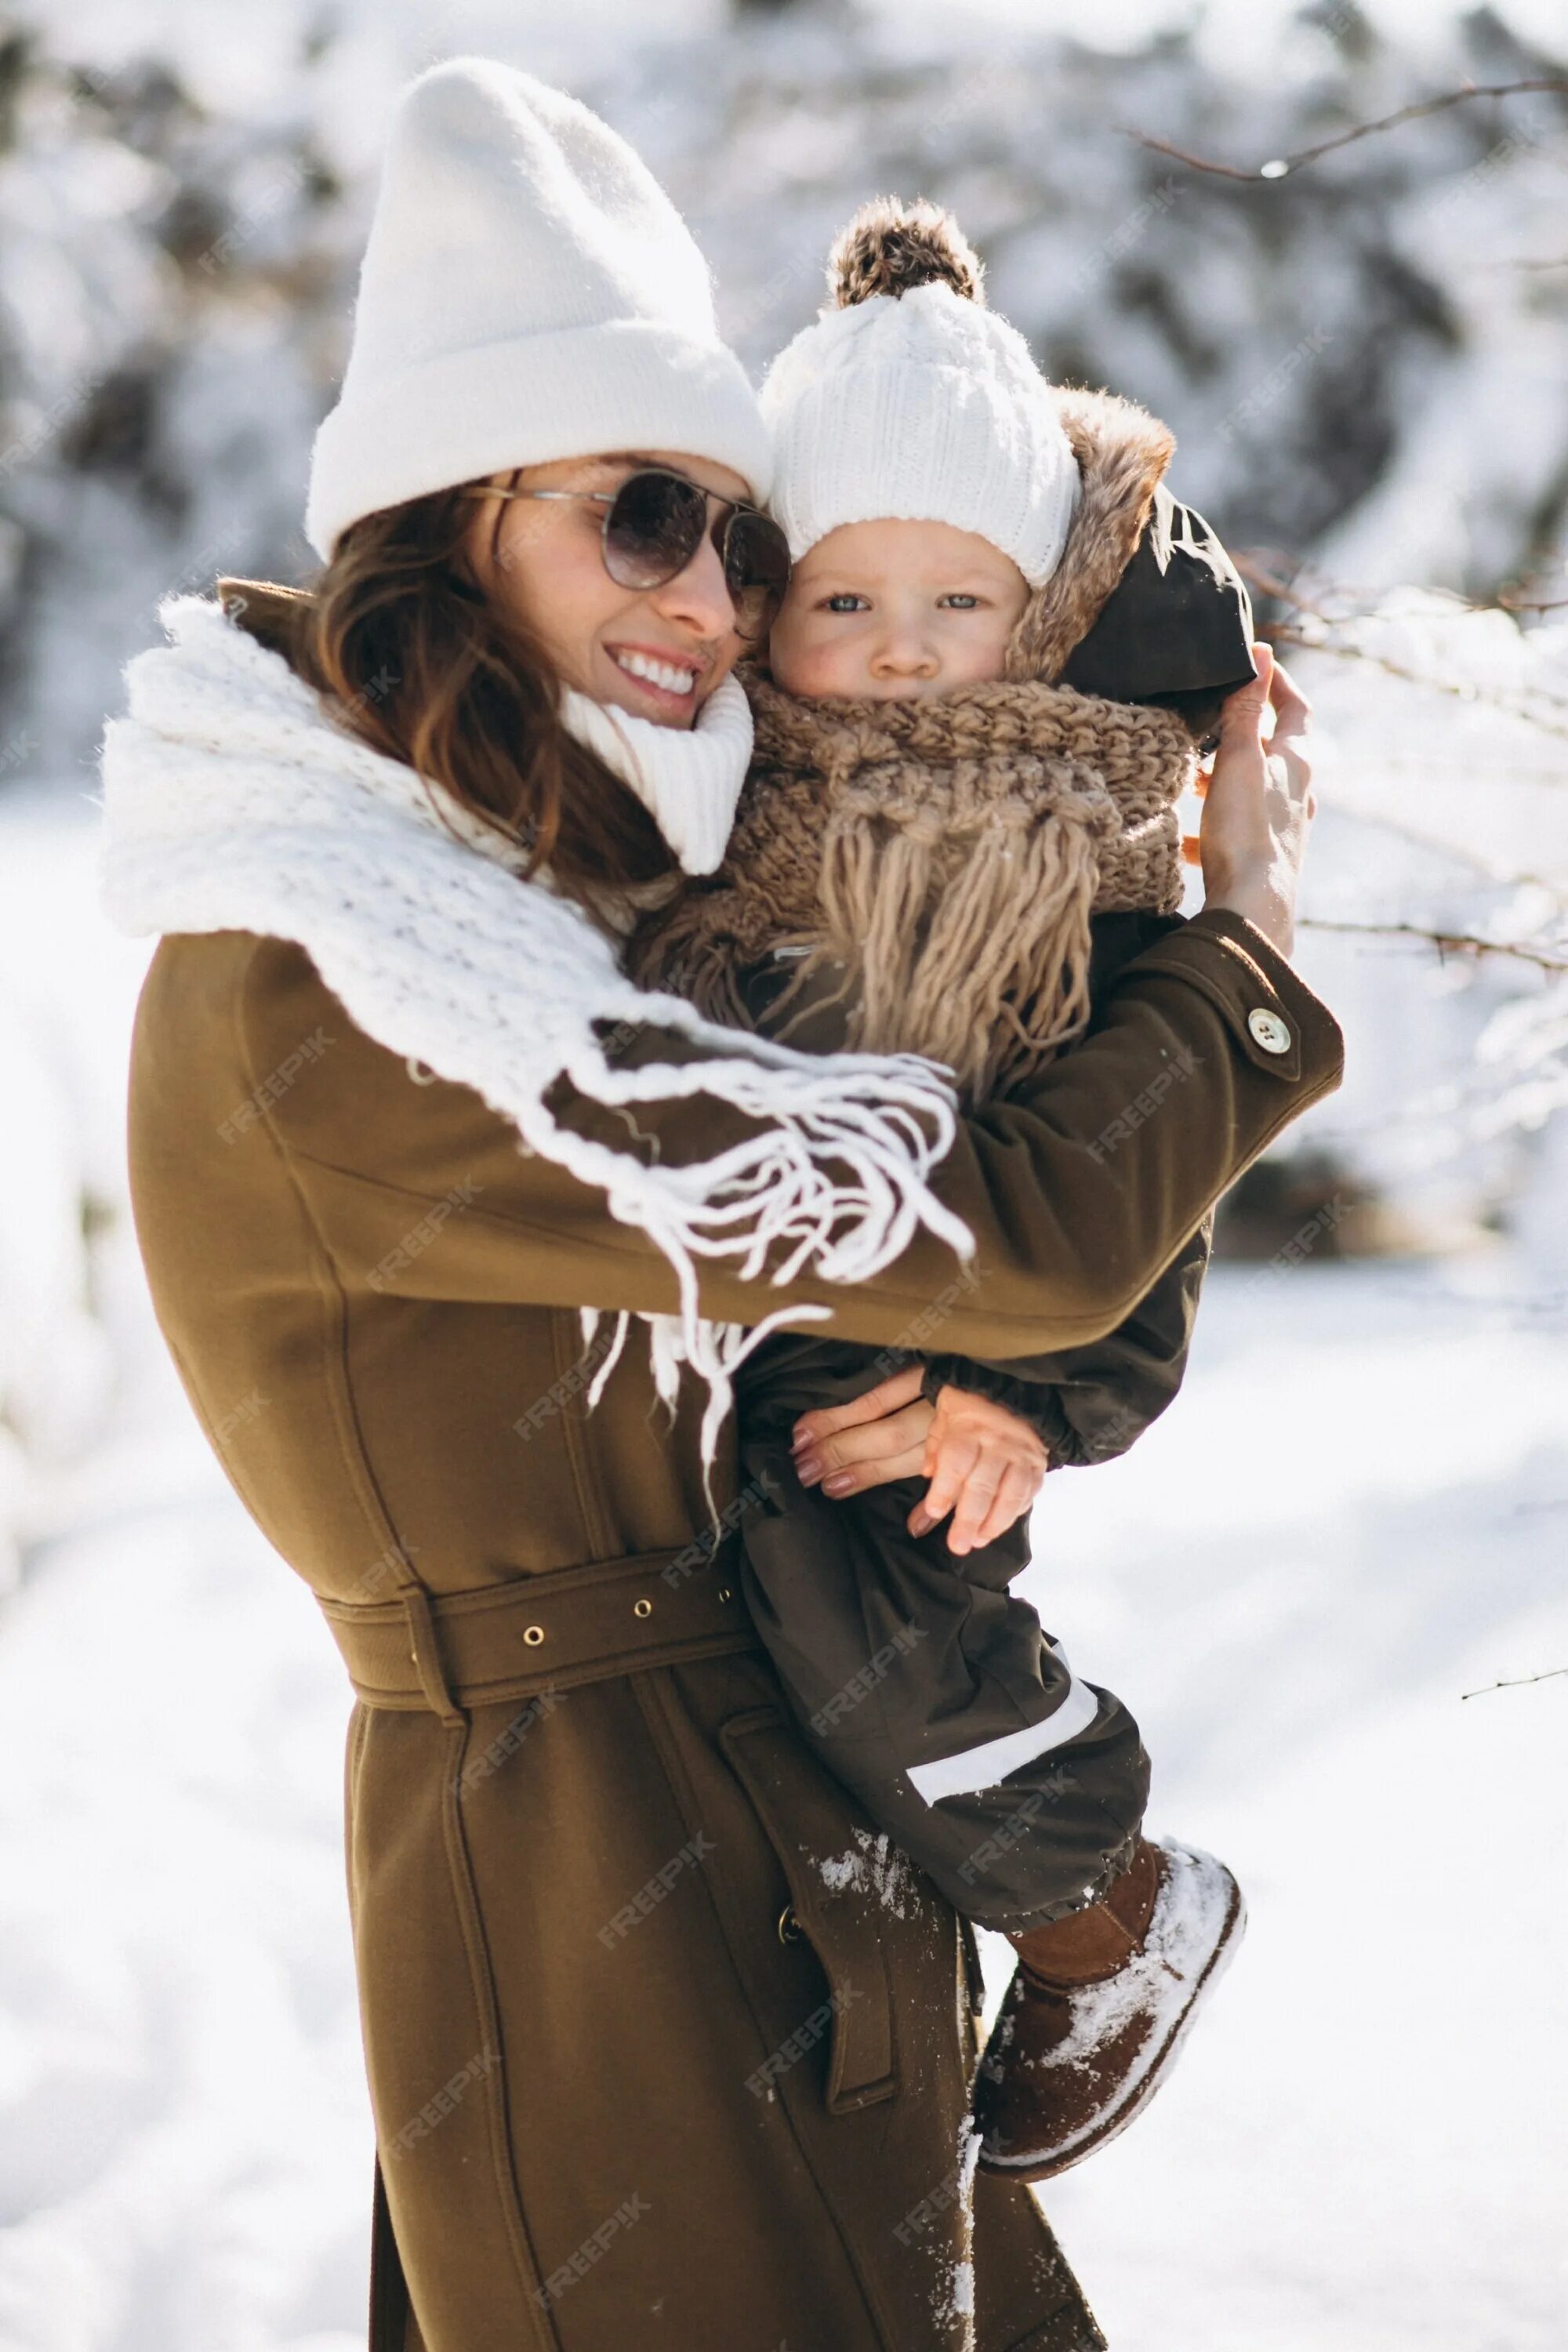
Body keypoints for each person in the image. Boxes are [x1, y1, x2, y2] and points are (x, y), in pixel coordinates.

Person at [100, 57, 1343, 2352]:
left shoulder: (534, 906)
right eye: (645, 514)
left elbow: (959, 1216)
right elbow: (1000, 1216)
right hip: (586, 1881)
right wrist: (1242, 944)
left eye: (741, 543)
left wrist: (1008, 1403)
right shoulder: (357, 981)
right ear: (459, 512)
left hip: (760, 1804)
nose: (714, 593)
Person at [629, 195, 1273, 2183]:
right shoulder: (719, 821)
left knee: (878, 1637)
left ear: (1044, 609)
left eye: (959, 601)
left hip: (939, 1368)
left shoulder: (1075, 844)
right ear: (766, 612)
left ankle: (1104, 1901)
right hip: (731, 1328)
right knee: (751, 1704)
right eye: (844, 602)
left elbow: (1149, 1162)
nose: (901, 652)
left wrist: (1034, 1400)